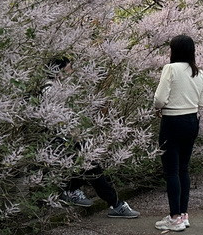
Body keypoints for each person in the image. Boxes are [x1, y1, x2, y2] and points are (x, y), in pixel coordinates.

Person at [47, 57, 140, 219]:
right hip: (60, 140)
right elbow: (58, 120)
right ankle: (116, 204)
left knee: (90, 163)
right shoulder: (49, 89)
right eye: (69, 68)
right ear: (58, 71)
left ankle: (68, 189)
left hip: (70, 137)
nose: (72, 72)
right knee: (92, 166)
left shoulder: (60, 87)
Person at [153, 34, 203, 232]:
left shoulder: (171, 69)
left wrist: (159, 107)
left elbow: (159, 99)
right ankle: (183, 215)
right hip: (192, 121)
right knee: (183, 168)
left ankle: (174, 217)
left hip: (172, 121)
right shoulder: (198, 72)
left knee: (171, 170)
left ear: (174, 50)